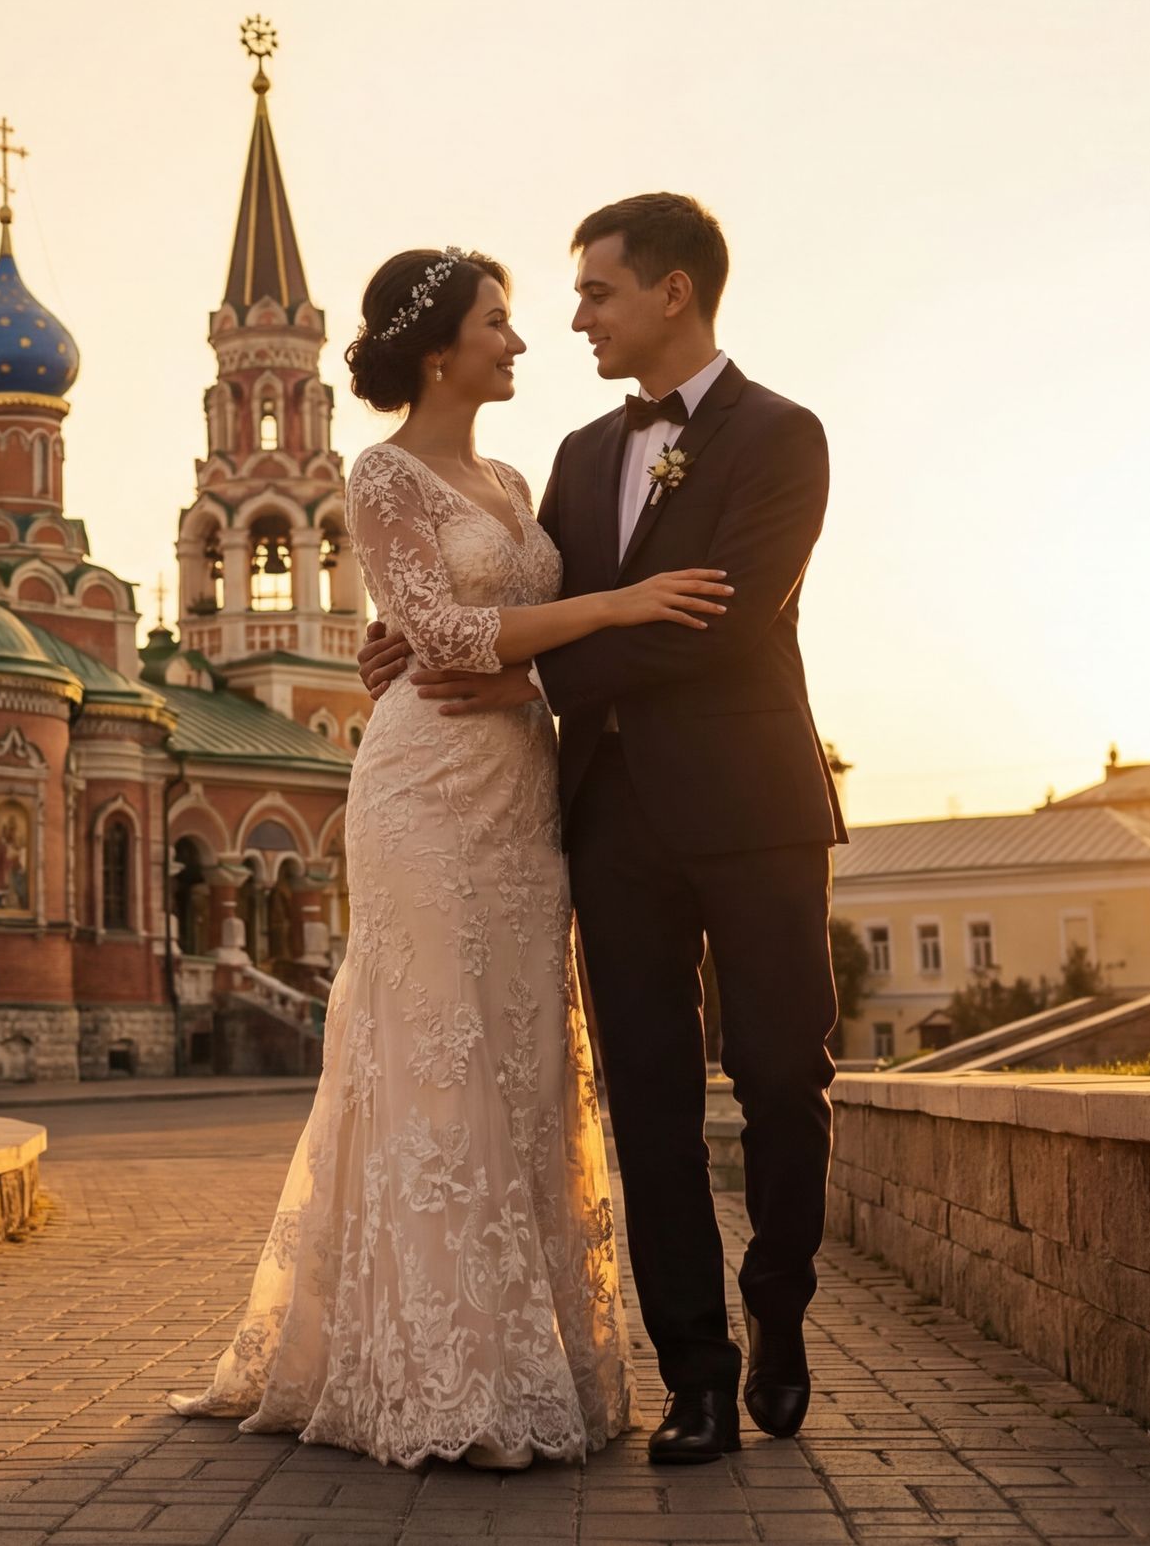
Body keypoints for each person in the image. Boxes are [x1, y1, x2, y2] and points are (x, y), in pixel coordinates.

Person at [171, 244, 731, 1468]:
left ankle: (532, 1363)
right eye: (499, 322)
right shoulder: (377, 475)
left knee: (522, 1055)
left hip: (521, 791)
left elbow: (467, 631)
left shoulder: (518, 476)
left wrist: (520, 635)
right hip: (424, 788)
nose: (521, 341)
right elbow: (442, 631)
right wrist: (615, 608)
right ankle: (441, 1376)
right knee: (434, 1057)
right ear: (441, 350)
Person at [358, 193, 845, 1464]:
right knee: (646, 1098)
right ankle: (694, 1371)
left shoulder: (784, 437)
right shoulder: (572, 458)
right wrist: (411, 633)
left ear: (672, 292)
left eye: (596, 294)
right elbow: (537, 600)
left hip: (753, 810)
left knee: (787, 1074)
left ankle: (779, 1313)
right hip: (606, 822)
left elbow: (722, 623)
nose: (574, 320)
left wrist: (526, 679)